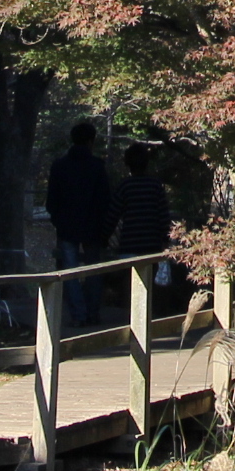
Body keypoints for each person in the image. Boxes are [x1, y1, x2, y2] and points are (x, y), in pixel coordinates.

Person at [45, 121, 111, 321]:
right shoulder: (97, 167)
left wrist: (58, 220)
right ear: (91, 141)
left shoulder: (60, 166)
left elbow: (51, 200)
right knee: (93, 270)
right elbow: (104, 200)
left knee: (70, 271)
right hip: (92, 226)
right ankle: (92, 312)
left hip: (67, 226)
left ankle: (78, 313)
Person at [107, 141, 176, 310]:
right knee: (152, 287)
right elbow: (163, 216)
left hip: (130, 243)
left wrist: (104, 237)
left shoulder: (125, 186)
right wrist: (165, 240)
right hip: (152, 243)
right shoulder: (155, 186)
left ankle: (130, 319)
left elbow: (113, 215)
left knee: (128, 285)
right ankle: (151, 317)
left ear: (127, 163)